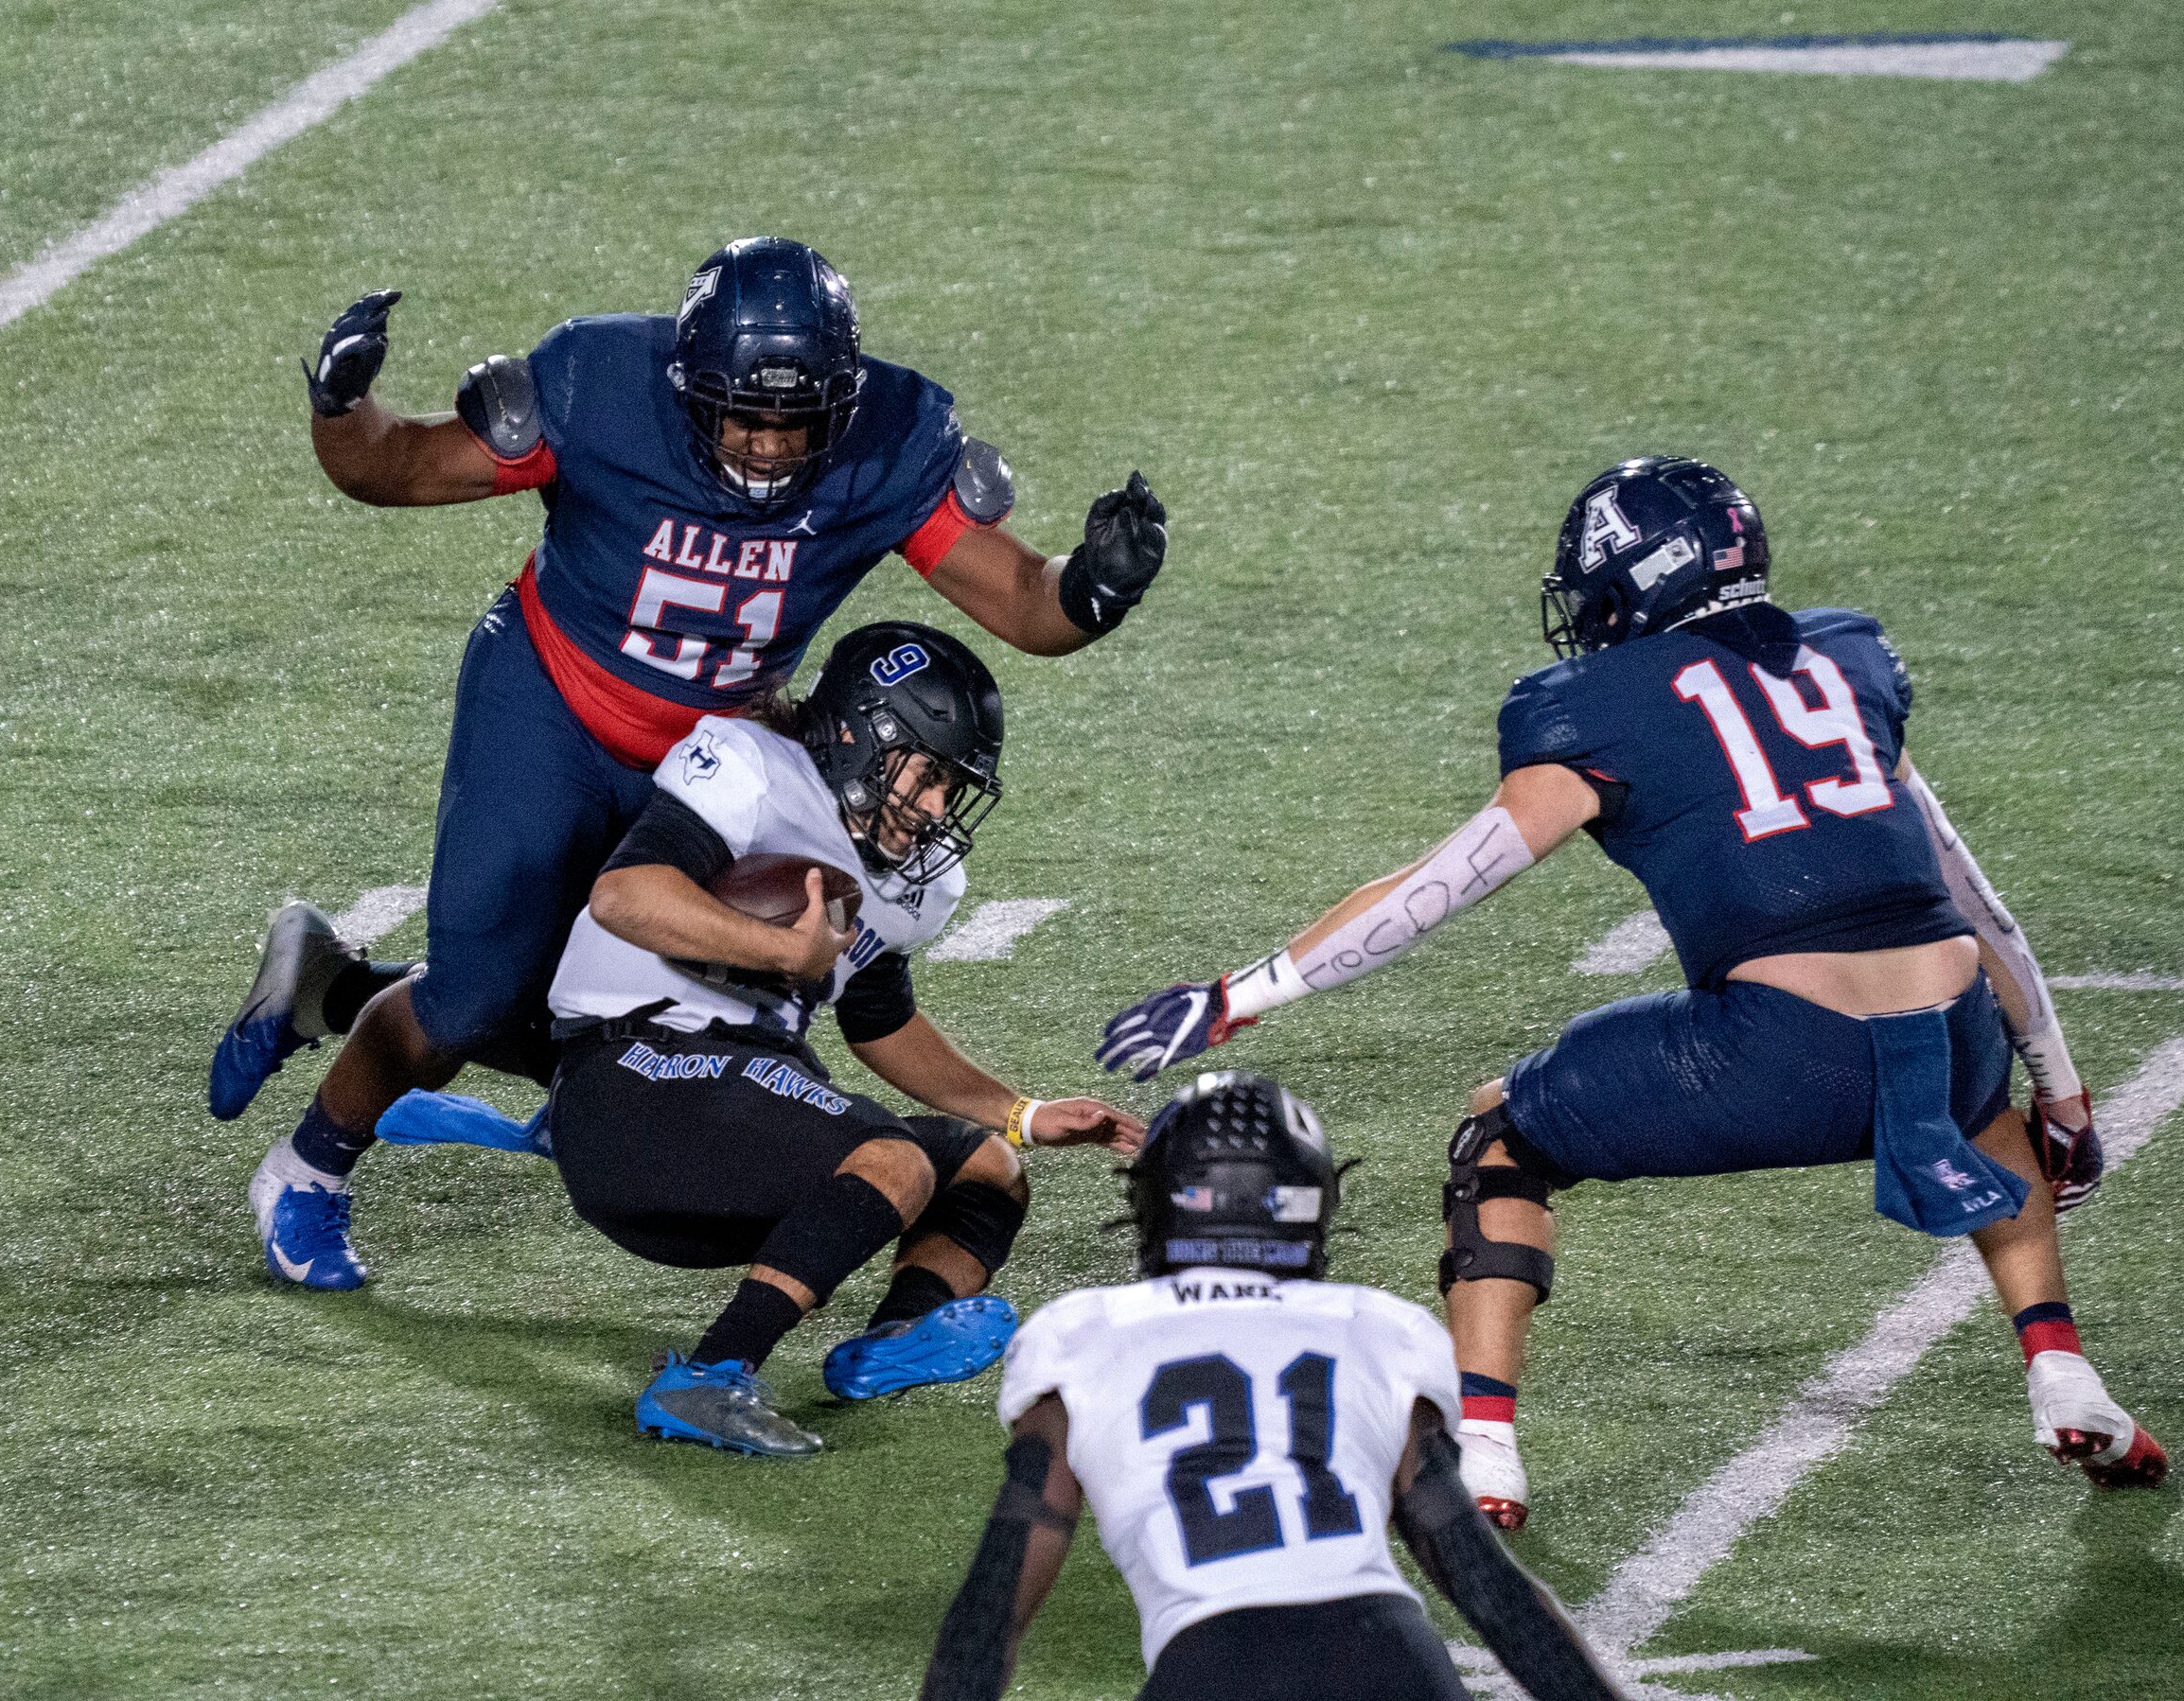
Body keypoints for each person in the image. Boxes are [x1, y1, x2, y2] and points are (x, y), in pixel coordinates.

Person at [1097, 455, 2160, 1528]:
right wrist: (2063, 1093)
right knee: (1994, 1120)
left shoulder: (1595, 705)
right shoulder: (1848, 656)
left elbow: (1440, 886)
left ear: (1644, 575)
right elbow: (1972, 903)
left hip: (1780, 1051)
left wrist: (1247, 991)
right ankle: (2061, 1370)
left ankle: (1484, 1448)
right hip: (1951, 1032)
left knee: (1500, 1136)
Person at [211, 237, 1172, 1290]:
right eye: (741, 412)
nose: (765, 444)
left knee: (666, 1005)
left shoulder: (887, 445)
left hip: (717, 747)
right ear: (681, 387)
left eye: (792, 418)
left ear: (840, 405)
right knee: (479, 993)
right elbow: (392, 470)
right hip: (551, 698)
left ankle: (330, 986)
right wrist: (343, 408)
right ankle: (307, 1167)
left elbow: (1023, 606)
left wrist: (1092, 590)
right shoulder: (600, 388)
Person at [534, 623, 1139, 1455]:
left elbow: (878, 1020)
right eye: (928, 777)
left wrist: (1024, 1114)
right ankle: (709, 1375)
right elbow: (625, 897)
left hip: (730, 1096)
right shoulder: (753, 772)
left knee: (985, 1166)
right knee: (893, 1160)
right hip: (631, 1076)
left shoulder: (912, 883)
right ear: (863, 737)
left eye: (950, 788)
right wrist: (784, 949)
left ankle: (890, 1341)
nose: (935, 810)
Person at [918, 1071, 1624, 1701]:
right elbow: (1486, 1586)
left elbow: (995, 1600)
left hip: (1215, 1664)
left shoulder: (1082, 1334)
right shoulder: (1376, 1329)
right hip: (1392, 1658)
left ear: (1156, 1199)